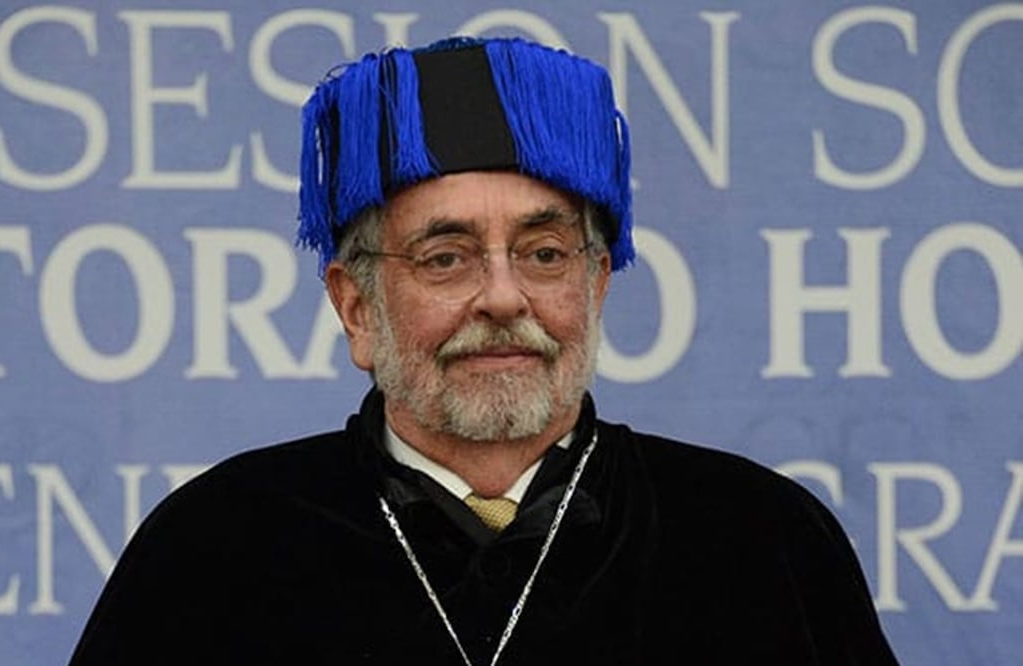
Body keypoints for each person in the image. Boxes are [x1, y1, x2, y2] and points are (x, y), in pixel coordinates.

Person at [69, 37, 898, 665]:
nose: (503, 297)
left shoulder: (760, 539)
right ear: (356, 307)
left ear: (594, 286)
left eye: (544, 253)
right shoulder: (215, 546)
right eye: (445, 258)